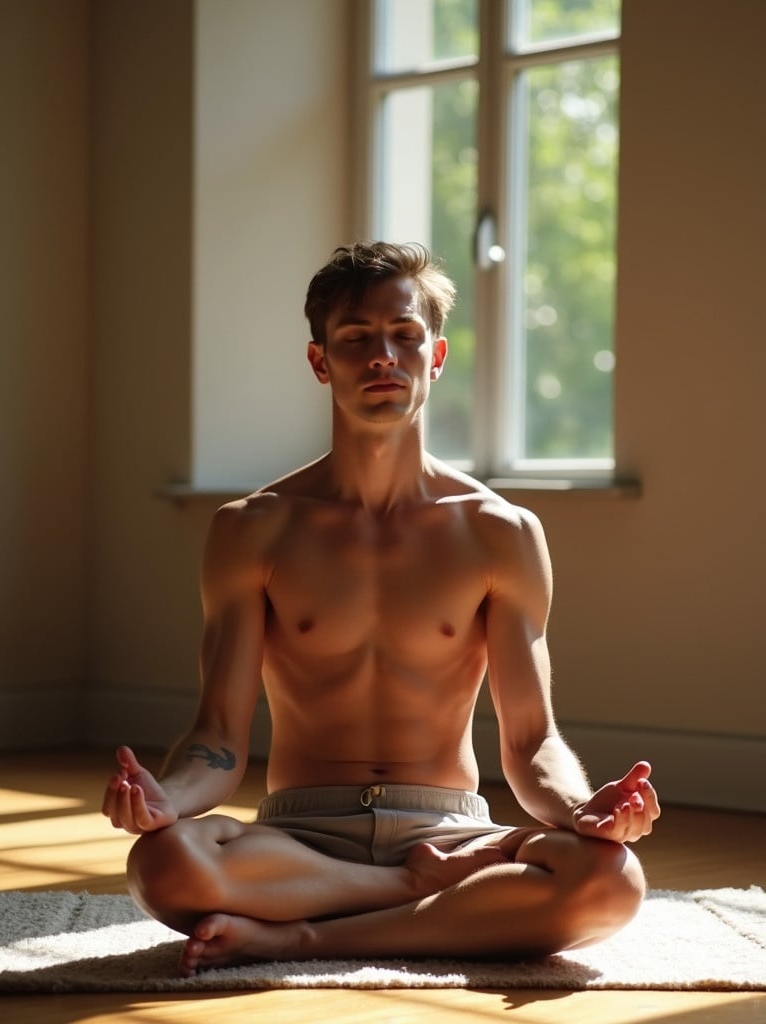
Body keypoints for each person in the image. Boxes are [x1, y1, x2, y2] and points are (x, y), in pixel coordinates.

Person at [102, 241, 660, 977]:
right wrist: (164, 799)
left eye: (404, 337)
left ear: (436, 357)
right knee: (164, 864)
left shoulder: (502, 532)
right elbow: (217, 737)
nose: (381, 358)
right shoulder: (251, 529)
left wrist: (588, 809)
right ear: (320, 361)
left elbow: (531, 744)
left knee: (611, 882)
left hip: (452, 832)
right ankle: (409, 897)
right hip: (302, 839)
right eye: (356, 339)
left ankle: (303, 937)